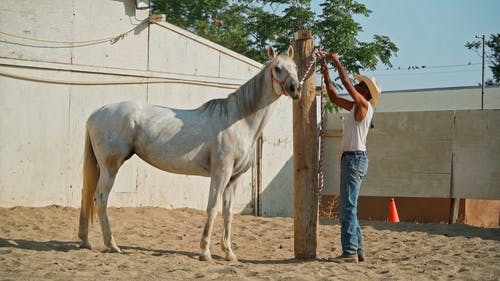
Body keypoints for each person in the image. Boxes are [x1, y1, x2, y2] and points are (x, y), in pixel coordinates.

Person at [320, 53, 381, 263]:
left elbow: (345, 83)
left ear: (366, 92)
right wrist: (327, 76)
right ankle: (358, 249)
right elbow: (334, 98)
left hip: (353, 159)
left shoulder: (363, 105)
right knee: (350, 207)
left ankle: (349, 252)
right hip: (354, 159)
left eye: (362, 85)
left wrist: (336, 61)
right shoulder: (359, 107)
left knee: (348, 208)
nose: (359, 86)